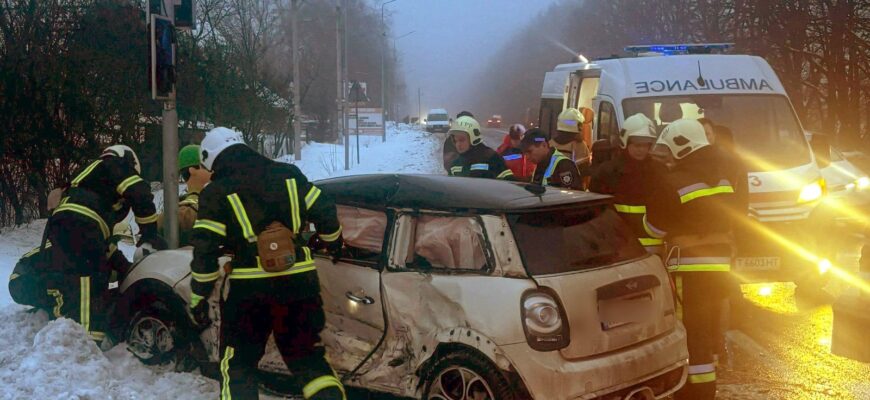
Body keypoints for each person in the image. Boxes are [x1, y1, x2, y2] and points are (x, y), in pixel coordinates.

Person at [189, 127, 345, 399]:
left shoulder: (215, 192)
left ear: (210, 158)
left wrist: (198, 297)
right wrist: (332, 242)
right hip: (300, 284)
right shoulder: (289, 174)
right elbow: (325, 210)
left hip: (250, 292)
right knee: (308, 360)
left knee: (238, 365)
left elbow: (205, 251)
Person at [644, 119, 738, 400]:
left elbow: (654, 228)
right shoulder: (722, 178)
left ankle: (692, 390)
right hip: (720, 266)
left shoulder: (673, 182)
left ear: (681, 146)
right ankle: (708, 384)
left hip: (689, 268)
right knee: (708, 327)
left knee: (690, 330)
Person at [43, 145, 164, 346]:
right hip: (83, 224)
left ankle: (63, 341)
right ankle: (85, 344)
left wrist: (126, 270)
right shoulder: (117, 165)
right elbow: (140, 193)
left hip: (62, 227)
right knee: (90, 282)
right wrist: (149, 234)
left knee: (72, 281)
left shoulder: (87, 176)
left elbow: (104, 249)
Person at [589, 113, 663, 255]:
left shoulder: (659, 170)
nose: (642, 150)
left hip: (656, 250)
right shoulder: (608, 172)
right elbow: (596, 211)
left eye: (646, 145)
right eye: (637, 145)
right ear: (625, 142)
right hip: (618, 248)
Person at [157, 144, 212, 246]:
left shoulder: (178, 206)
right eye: (207, 167)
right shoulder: (187, 209)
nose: (212, 171)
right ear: (192, 170)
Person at [447, 115, 514, 180]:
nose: (458, 144)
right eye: (455, 141)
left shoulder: (492, 158)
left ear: (473, 138)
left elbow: (508, 183)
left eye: (461, 140)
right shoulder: (456, 164)